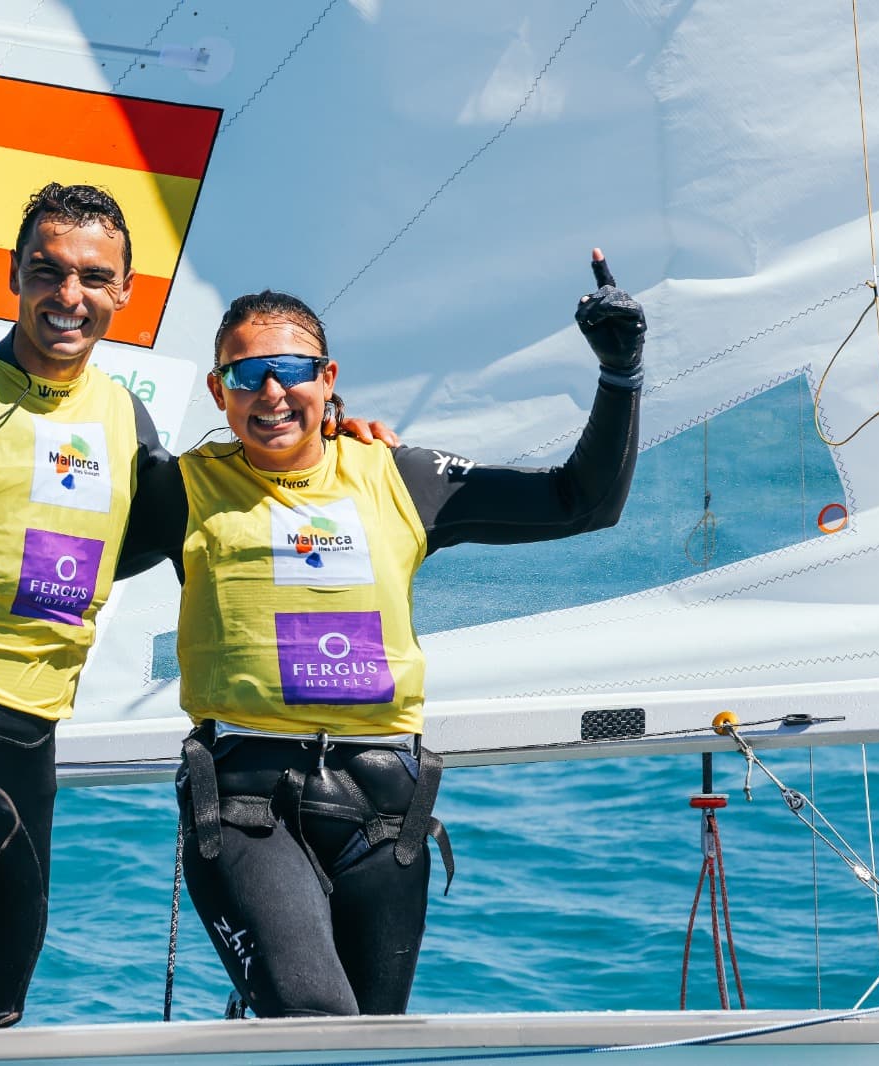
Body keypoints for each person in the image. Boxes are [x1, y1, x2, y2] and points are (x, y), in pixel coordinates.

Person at [0, 181, 394, 1032]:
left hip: (27, 751)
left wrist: (341, 449)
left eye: (93, 278)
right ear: (13, 275)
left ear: (126, 293)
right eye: (47, 272)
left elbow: (228, 507)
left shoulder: (125, 422)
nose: (69, 297)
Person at [124, 252, 645, 1017]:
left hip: (383, 811)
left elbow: (580, 501)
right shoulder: (184, 488)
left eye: (290, 369)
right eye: (245, 375)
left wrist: (620, 373)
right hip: (246, 802)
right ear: (218, 391)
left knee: (369, 1045)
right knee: (313, 1019)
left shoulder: (398, 474)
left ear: (327, 378)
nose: (271, 392)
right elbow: (65, 534)